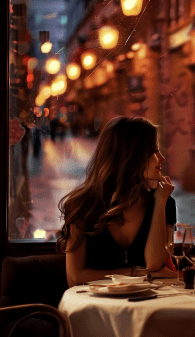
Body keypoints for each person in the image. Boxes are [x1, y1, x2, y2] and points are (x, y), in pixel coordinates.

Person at [56, 116, 176, 287]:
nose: (162, 158)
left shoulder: (163, 202)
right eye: (154, 151)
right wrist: (136, 272)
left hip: (146, 303)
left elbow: (153, 263)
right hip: (95, 307)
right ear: (132, 156)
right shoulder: (81, 205)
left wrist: (160, 202)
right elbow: (75, 278)